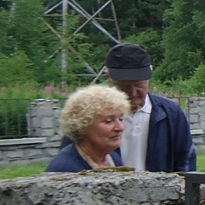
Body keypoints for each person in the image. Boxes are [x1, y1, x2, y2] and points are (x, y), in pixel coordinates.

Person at [103, 42, 197, 172]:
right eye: (124, 87)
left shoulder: (170, 113)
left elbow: (185, 161)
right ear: (108, 77)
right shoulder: (92, 115)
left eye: (139, 85)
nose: (132, 93)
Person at [46, 85, 129, 172]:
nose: (120, 127)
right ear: (82, 126)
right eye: (108, 121)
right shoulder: (65, 168)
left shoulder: (112, 158)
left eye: (121, 119)